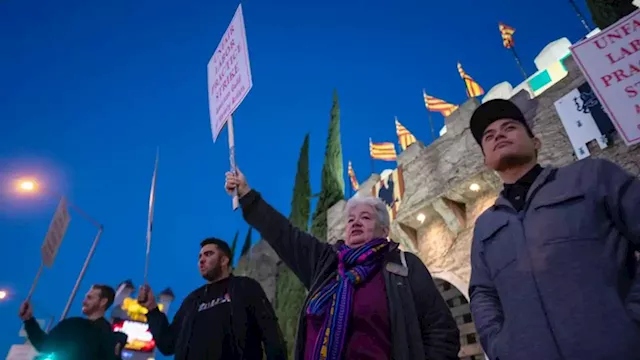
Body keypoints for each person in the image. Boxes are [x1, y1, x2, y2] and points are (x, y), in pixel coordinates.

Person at [467, 99, 640, 360]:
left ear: (536, 141)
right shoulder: (485, 226)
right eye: (488, 136)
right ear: (485, 160)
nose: (498, 134)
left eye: (509, 127)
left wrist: (631, 322)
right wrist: (499, 345)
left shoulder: (592, 177)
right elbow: (483, 293)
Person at [224, 169, 460, 360]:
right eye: (350, 219)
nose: (355, 223)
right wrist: (247, 195)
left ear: (384, 231)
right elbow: (284, 235)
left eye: (365, 218)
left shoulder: (404, 266)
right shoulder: (326, 264)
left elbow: (441, 331)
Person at [138, 237, 286, 360]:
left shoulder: (245, 287)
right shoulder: (192, 300)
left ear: (224, 260)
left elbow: (271, 335)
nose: (201, 260)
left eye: (208, 254)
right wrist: (152, 309)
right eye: (200, 257)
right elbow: (167, 344)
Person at [19, 284, 124, 360]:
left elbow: (44, 345)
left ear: (103, 302)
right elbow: (44, 345)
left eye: (90, 298)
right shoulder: (72, 325)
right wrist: (29, 320)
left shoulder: (108, 337)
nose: (84, 301)